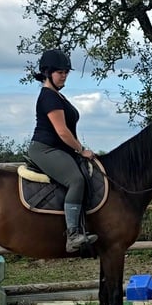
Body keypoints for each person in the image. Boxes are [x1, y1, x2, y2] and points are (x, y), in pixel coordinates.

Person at [27, 48, 98, 253]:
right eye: (60, 72)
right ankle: (73, 235)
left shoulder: (58, 95)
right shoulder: (49, 97)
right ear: (47, 73)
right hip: (46, 149)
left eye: (66, 71)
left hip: (59, 149)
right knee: (76, 180)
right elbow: (62, 132)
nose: (64, 75)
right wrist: (82, 149)